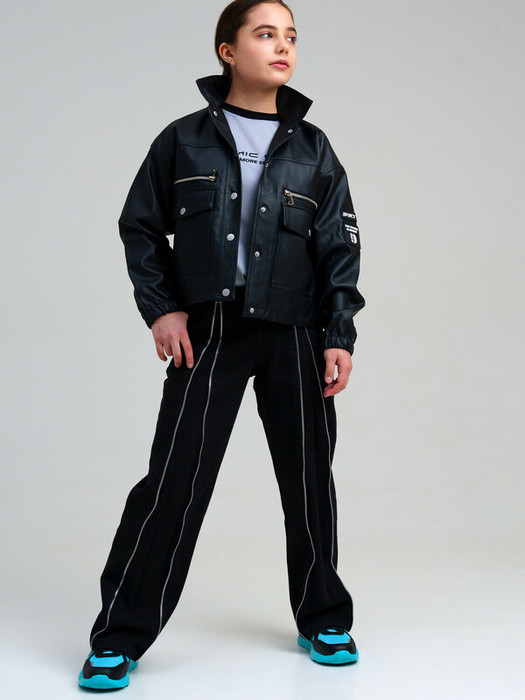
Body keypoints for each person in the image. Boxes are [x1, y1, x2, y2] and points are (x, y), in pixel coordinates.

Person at [78, 0, 365, 690]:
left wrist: (338, 334)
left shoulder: (314, 147)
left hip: (295, 331)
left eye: (290, 35)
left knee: (309, 482)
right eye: (265, 34)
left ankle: (325, 617)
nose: (282, 46)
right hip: (208, 331)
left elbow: (339, 247)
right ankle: (119, 634)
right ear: (227, 51)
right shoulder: (183, 140)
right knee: (173, 482)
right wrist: (162, 310)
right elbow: (140, 227)